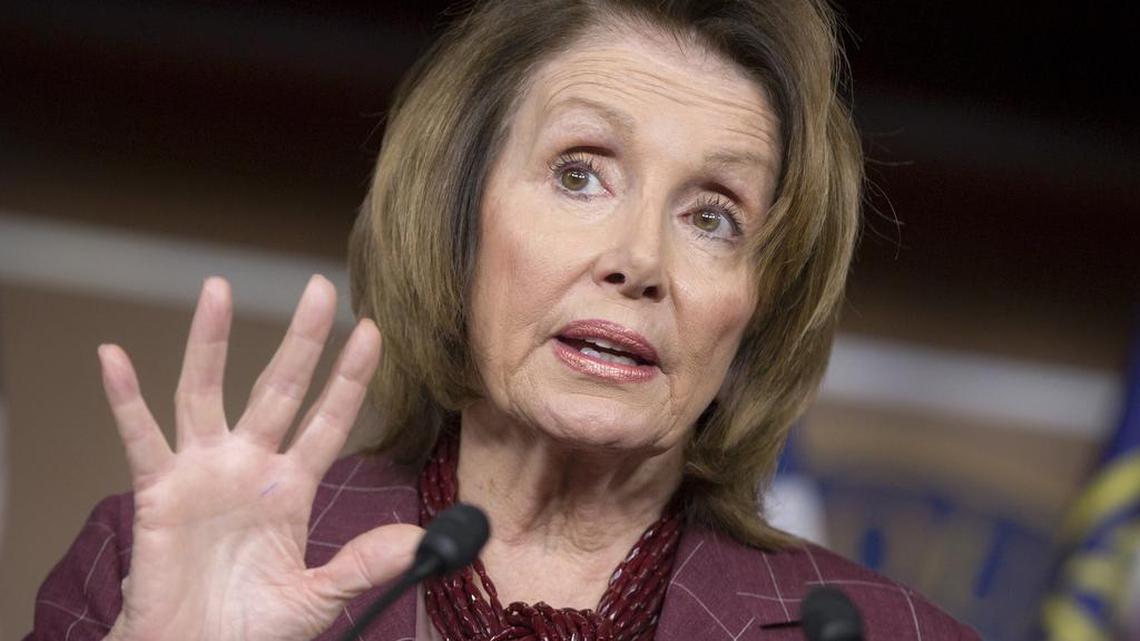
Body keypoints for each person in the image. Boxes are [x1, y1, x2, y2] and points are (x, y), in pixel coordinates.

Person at [26, 1, 980, 639]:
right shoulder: (145, 567)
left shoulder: (879, 630)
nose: (639, 261)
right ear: (458, 216)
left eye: (712, 216)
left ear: (759, 305)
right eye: (579, 171)